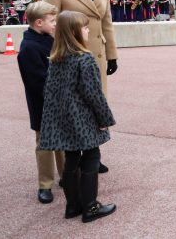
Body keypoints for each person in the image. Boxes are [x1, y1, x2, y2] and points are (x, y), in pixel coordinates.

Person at [43, 0, 117, 172]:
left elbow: (107, 23)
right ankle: (72, 161)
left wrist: (112, 55)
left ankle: (94, 153)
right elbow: (46, 18)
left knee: (97, 104)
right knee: (75, 108)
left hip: (97, 56)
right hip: (71, 58)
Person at [39, 11, 116, 223]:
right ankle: (90, 207)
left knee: (72, 158)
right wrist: (105, 119)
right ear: (74, 32)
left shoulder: (57, 58)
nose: (88, 30)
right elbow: (93, 94)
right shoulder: (85, 59)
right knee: (92, 156)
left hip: (64, 117)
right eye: (84, 27)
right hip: (82, 117)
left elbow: (51, 91)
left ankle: (73, 205)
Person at [16, 1, 64, 204]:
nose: (55, 24)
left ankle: (66, 176)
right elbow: (37, 82)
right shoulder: (29, 48)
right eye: (52, 21)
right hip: (43, 104)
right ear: (38, 22)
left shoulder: (47, 39)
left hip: (60, 100)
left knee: (63, 141)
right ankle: (45, 184)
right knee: (44, 144)